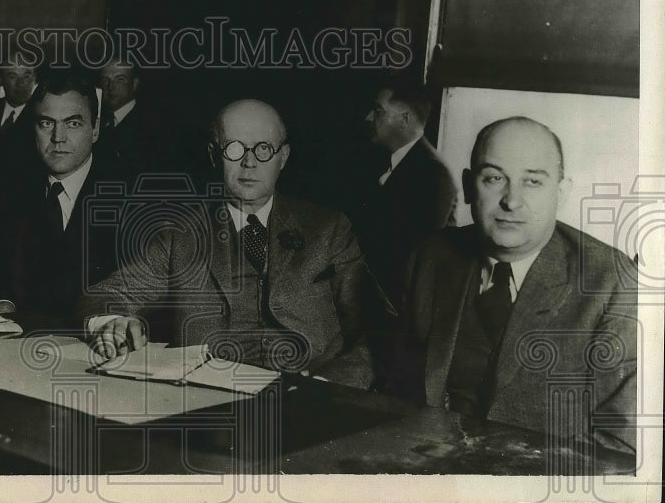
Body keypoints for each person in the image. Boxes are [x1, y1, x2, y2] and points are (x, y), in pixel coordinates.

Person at [81, 99, 389, 388]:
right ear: (214, 155)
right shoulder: (182, 234)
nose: (250, 162)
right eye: (234, 148)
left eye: (264, 148)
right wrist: (112, 323)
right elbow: (106, 294)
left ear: (283, 157)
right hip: (211, 404)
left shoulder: (329, 229)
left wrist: (327, 385)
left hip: (312, 401)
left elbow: (377, 332)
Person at [398, 117, 637, 454]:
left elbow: (623, 441)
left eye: (533, 182)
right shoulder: (432, 257)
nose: (512, 200)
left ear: (561, 192)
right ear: (468, 186)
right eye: (494, 178)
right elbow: (392, 369)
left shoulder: (611, 282)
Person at [0, 68, 120, 331]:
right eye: (47, 123)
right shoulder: (10, 194)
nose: (58, 137)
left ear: (95, 129)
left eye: (73, 123)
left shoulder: (127, 201)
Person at [355, 80, 457, 310]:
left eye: (378, 111)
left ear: (405, 119)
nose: (369, 118)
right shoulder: (389, 162)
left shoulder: (433, 175)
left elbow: (416, 257)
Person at [96, 59, 152, 178]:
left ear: (135, 84)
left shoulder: (149, 124)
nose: (111, 86)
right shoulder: (98, 121)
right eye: (105, 80)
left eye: (120, 79)